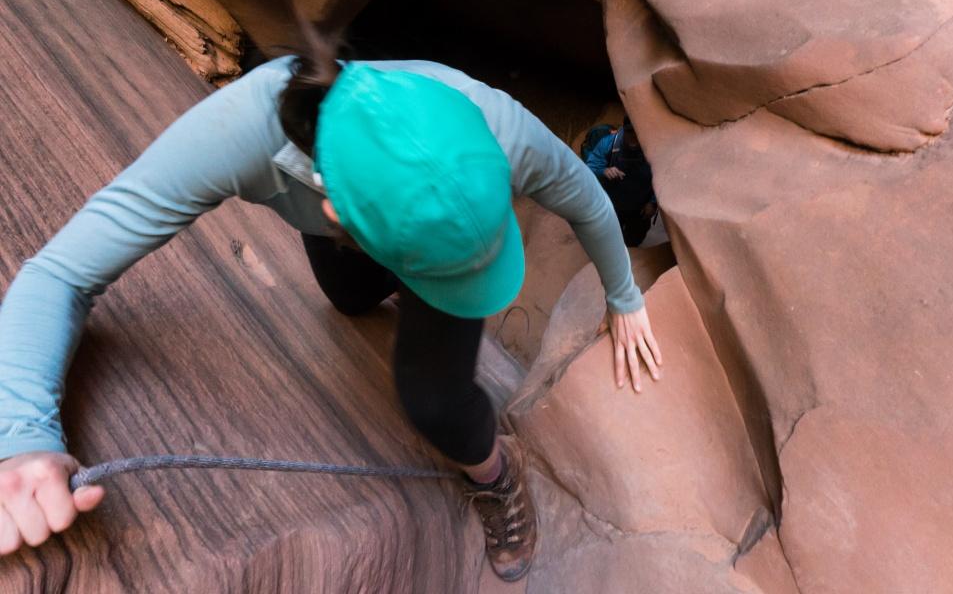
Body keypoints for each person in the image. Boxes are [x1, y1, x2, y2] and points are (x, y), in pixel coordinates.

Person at [0, 52, 663, 580]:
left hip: (383, 223)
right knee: (345, 296)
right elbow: (59, 273)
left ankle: (496, 473)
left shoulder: (501, 128)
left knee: (434, 400)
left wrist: (624, 297)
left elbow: (586, 201)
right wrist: (22, 437)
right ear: (334, 212)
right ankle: (389, 275)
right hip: (347, 218)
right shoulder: (241, 131)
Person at [584, 118, 658, 247]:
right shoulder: (609, 144)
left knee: (634, 239)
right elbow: (590, 166)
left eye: (637, 133)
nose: (633, 137)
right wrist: (604, 171)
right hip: (612, 206)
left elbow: (665, 177)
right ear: (624, 130)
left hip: (640, 209)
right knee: (608, 239)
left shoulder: (654, 149)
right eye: (630, 132)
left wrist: (653, 203)